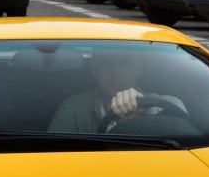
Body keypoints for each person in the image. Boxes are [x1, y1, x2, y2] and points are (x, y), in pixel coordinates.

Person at [48, 51, 186, 133]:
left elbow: (186, 147)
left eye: (126, 62)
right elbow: (52, 155)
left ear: (140, 67)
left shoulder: (170, 104)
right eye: (107, 62)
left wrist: (149, 113)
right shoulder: (74, 108)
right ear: (94, 68)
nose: (116, 72)